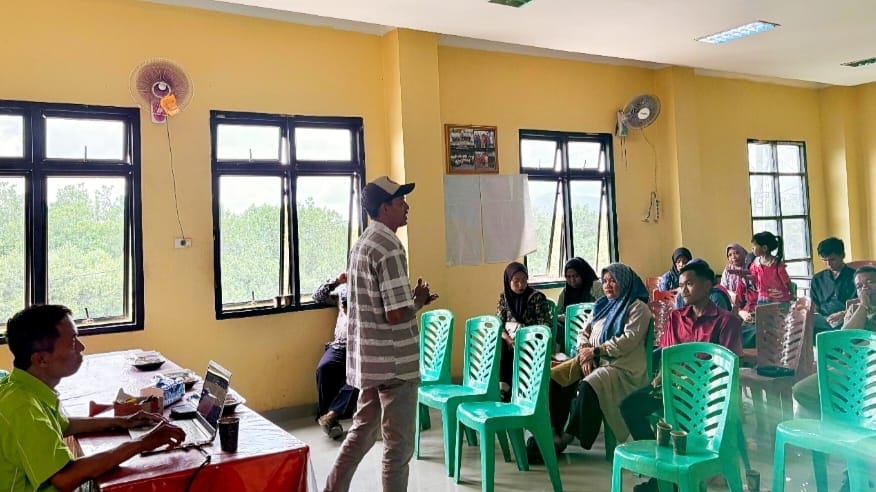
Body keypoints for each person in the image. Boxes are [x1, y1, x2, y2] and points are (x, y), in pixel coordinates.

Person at [324, 176, 438, 492]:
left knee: (361, 431)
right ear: (384, 207)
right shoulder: (389, 247)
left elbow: (375, 305)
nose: (407, 207)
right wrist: (418, 301)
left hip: (370, 361)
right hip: (395, 363)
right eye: (401, 203)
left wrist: (412, 301)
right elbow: (395, 312)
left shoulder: (361, 244)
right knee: (397, 447)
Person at [0, 304, 185, 492]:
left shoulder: (18, 387)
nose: (81, 347)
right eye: (73, 341)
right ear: (41, 360)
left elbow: (63, 424)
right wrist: (141, 444)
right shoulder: (22, 409)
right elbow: (65, 477)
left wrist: (122, 421)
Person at [620, 260, 743, 492]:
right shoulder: (676, 317)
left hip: (708, 394)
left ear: (708, 286)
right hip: (674, 387)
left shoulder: (727, 321)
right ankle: (663, 470)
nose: (683, 290)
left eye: (690, 284)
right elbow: (668, 355)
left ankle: (668, 480)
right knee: (630, 406)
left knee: (677, 417)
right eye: (680, 285)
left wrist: (693, 381)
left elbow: (728, 370)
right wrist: (660, 379)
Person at [545, 263, 653, 455]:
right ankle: (554, 430)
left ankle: (568, 437)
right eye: (604, 281)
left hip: (621, 367)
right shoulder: (602, 305)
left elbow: (626, 341)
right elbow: (582, 333)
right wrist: (585, 353)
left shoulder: (638, 308)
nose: (607, 285)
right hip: (595, 359)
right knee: (556, 376)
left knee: (589, 385)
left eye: (613, 280)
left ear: (625, 282)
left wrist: (595, 352)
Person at [792, 265, 876, 492]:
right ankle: (839, 433)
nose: (864, 288)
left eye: (869, 283)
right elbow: (844, 341)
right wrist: (862, 309)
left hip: (872, 379)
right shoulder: (855, 310)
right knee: (803, 390)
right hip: (851, 373)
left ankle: (855, 467)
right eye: (859, 286)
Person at [496, 262, 553, 399]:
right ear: (508, 280)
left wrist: (524, 338)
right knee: (499, 342)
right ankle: (504, 385)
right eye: (516, 281)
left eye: (524, 280)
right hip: (510, 340)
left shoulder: (536, 297)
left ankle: (514, 389)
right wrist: (509, 340)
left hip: (531, 341)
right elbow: (499, 324)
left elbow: (545, 325)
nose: (521, 285)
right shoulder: (504, 298)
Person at [313, 273, 359, 440]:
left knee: (356, 380)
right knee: (323, 369)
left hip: (359, 348)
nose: (346, 311)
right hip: (339, 346)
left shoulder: (367, 293)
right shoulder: (341, 292)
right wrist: (336, 281)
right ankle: (328, 419)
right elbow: (317, 296)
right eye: (345, 307)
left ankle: (332, 415)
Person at [810, 237, 856, 336]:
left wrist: (844, 313)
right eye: (824, 260)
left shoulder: (856, 277)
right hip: (823, 320)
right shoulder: (817, 279)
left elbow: (862, 304)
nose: (829, 264)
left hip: (846, 319)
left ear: (842, 255)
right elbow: (814, 305)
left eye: (832, 259)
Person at [556, 257, 601, 350]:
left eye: (576, 276)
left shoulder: (595, 286)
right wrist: (562, 317)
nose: (572, 280)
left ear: (583, 274)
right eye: (568, 277)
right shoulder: (566, 292)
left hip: (591, 326)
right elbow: (558, 313)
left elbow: (605, 308)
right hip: (571, 327)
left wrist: (572, 319)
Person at [749, 231, 793, 309]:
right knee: (764, 319)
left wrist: (792, 295)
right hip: (762, 298)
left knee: (780, 319)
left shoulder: (777, 264)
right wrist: (746, 277)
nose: (752, 249)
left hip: (779, 299)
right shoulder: (755, 263)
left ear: (764, 248)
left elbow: (787, 282)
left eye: (754, 247)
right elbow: (754, 279)